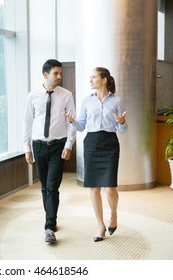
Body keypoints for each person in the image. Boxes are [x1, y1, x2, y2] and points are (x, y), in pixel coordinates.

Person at [62, 67, 127, 242]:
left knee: (110, 188)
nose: (90, 80)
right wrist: (72, 120)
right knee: (94, 188)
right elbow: (81, 126)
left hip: (110, 144)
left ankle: (113, 215)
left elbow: (123, 129)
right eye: (90, 77)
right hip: (91, 144)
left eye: (93, 77)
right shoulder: (86, 101)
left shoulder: (116, 101)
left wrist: (122, 122)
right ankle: (100, 225)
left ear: (104, 80)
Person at [23, 59, 76, 243]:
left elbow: (72, 123)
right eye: (56, 73)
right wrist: (27, 148)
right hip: (38, 146)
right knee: (45, 187)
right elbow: (28, 123)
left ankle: (49, 227)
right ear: (46, 75)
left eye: (60, 73)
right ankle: (51, 220)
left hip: (58, 146)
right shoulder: (33, 95)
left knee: (52, 187)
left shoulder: (66, 95)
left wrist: (69, 145)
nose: (60, 76)